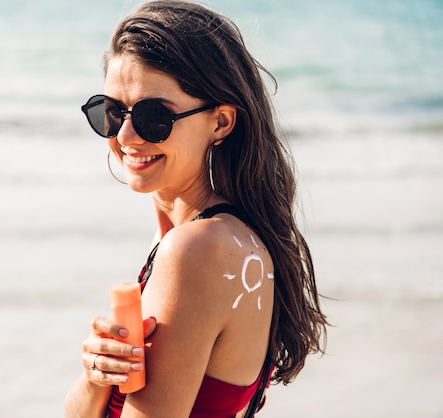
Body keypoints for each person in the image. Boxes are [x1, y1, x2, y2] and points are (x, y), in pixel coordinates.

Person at [65, 1, 328, 416]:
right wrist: (96, 376)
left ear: (221, 122)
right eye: (113, 112)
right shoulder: (223, 236)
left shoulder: (195, 251)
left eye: (155, 117)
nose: (127, 136)